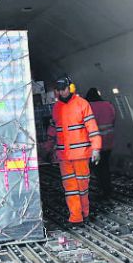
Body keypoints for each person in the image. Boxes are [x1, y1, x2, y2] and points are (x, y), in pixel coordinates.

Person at [51, 74, 102, 225]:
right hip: (64, 156)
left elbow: (92, 127)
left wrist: (96, 148)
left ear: (70, 88)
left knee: (82, 187)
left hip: (81, 155)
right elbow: (53, 130)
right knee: (70, 189)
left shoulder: (82, 104)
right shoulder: (56, 107)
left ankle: (85, 213)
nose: (62, 92)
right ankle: (75, 217)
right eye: (59, 90)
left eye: (64, 89)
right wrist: (47, 149)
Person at [84, 88, 116, 201]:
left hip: (95, 144)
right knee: (105, 166)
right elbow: (113, 119)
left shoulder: (88, 107)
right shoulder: (108, 105)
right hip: (108, 142)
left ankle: (103, 189)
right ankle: (107, 188)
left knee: (97, 168)